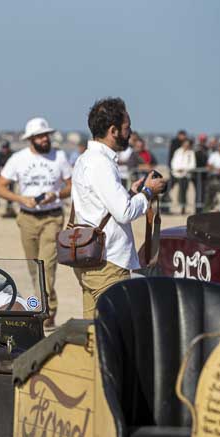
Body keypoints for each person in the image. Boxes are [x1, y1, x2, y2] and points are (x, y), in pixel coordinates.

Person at [71, 98, 165, 319]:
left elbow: (100, 205)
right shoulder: (101, 163)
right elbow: (124, 213)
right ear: (113, 131)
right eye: (127, 128)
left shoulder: (86, 159)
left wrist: (131, 194)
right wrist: (149, 192)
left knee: (94, 334)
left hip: (90, 256)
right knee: (115, 333)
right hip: (108, 262)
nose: (130, 133)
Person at [0, 117, 71, 329]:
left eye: (46, 135)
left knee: (46, 266)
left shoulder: (60, 157)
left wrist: (55, 194)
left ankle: (45, 312)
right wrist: (20, 199)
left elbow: (71, 185)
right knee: (34, 268)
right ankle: (45, 306)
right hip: (27, 217)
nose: (45, 139)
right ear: (31, 139)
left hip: (52, 217)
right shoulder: (18, 159)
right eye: (40, 136)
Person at [170, 138, 196, 214]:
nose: (186, 146)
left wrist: (184, 170)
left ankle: (183, 207)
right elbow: (173, 162)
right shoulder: (177, 151)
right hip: (175, 174)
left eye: (187, 145)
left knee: (183, 192)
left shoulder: (191, 153)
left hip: (185, 175)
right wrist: (176, 169)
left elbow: (192, 165)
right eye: (185, 144)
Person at [0, 141, 16, 217]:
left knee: (10, 191)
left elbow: (14, 165)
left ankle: (9, 207)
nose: (4, 149)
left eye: (6, 147)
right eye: (3, 147)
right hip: (1, 177)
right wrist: (0, 169)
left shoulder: (12, 154)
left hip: (11, 177)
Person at [193, 134, 210, 213]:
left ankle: (203, 208)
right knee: (198, 191)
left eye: (204, 140)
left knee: (204, 191)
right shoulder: (196, 149)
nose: (203, 141)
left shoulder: (207, 149)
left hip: (205, 174)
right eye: (202, 140)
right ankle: (198, 209)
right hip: (197, 174)